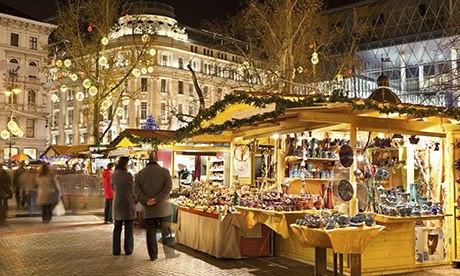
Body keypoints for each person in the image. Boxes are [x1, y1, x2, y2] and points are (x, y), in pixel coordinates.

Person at [134, 152, 173, 261]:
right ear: (156, 161)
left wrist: (146, 200)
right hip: (163, 208)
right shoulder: (165, 172)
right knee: (166, 231)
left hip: (148, 209)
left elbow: (136, 191)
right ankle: (169, 253)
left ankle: (153, 255)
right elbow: (168, 187)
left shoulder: (140, 174)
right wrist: (158, 199)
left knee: (150, 232)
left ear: (147, 161)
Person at [111, 157, 135, 256]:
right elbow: (133, 189)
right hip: (128, 203)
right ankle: (128, 249)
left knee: (117, 228)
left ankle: (116, 250)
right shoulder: (129, 176)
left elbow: (113, 188)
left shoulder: (113, 176)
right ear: (125, 164)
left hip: (117, 203)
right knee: (129, 228)